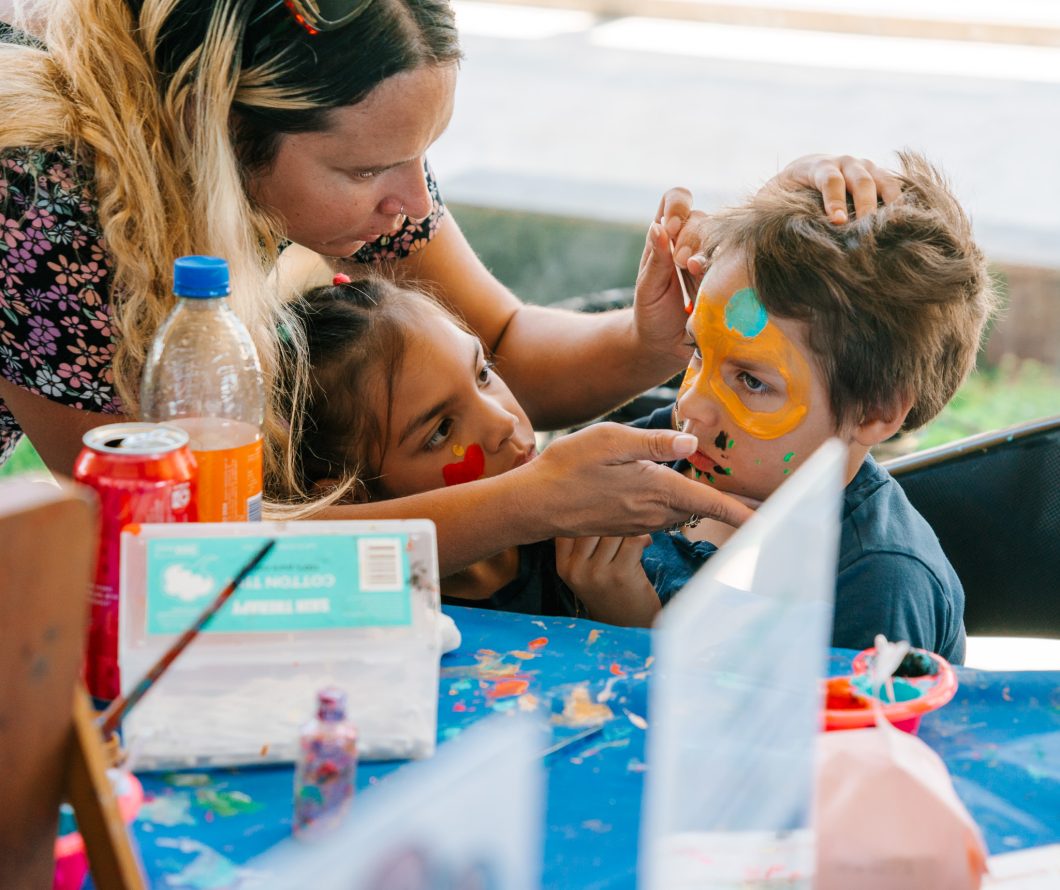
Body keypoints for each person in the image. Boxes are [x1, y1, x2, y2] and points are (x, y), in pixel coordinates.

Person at [0, 0, 896, 577]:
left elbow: (499, 342)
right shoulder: (42, 202)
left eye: (422, 155)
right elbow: (180, 552)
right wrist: (529, 502)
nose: (413, 203)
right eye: (368, 170)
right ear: (220, 130)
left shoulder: (345, 152)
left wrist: (650, 341)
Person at [637, 151, 998, 663]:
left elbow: (783, 715)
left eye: (752, 381)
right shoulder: (670, 456)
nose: (691, 402)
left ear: (875, 412)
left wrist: (623, 609)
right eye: (698, 351)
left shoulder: (876, 581)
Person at [281, 273, 661, 626]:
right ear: (349, 501)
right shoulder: (393, 626)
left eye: (483, 373)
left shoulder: (588, 508)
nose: (504, 422)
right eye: (441, 431)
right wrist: (626, 612)